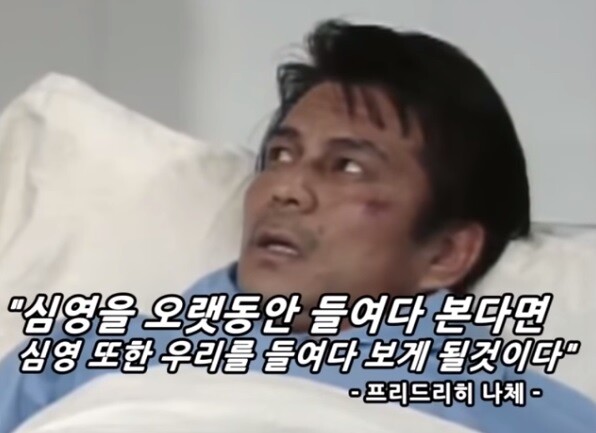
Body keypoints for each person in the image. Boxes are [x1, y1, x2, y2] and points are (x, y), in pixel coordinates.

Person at [0, 20, 594, 433]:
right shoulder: (85, 356)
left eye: (348, 166)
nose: (286, 188)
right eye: (281, 155)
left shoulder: (485, 395)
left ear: (445, 254)